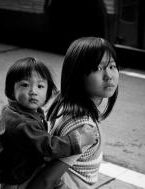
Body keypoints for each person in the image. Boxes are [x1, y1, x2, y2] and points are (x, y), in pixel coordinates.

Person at [26, 37, 119, 189]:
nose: (109, 75)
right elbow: (46, 181)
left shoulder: (61, 100)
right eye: (98, 69)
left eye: (112, 66)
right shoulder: (83, 127)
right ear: (78, 75)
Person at [0, 57, 97, 188]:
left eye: (40, 86)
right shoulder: (23, 124)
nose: (33, 91)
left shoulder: (17, 111)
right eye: (25, 85)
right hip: (18, 180)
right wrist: (79, 140)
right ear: (11, 91)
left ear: (47, 93)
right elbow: (49, 147)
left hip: (15, 172)